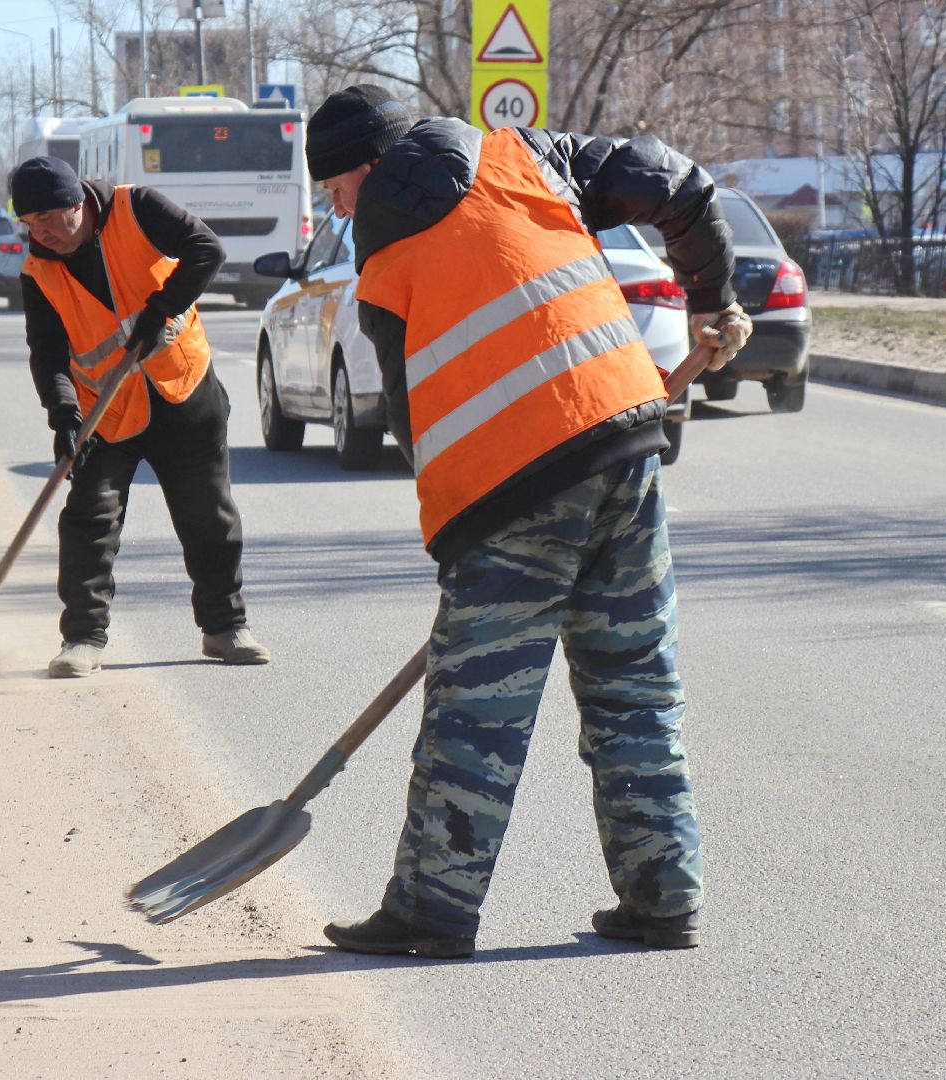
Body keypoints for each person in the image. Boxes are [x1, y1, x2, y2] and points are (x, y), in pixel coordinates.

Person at [305, 86, 751, 958]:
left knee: (476, 710)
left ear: (371, 164)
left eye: (336, 186)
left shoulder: (383, 259)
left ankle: (432, 911)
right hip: (625, 442)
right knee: (635, 682)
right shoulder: (529, 157)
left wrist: (460, 548)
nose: (339, 206)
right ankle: (665, 898)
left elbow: (414, 423)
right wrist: (710, 299)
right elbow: (681, 185)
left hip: (508, 490)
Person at [9, 155, 269, 676]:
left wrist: (160, 308)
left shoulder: (137, 209)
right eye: (30, 224)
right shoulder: (39, 271)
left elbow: (207, 250)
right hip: (104, 412)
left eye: (50, 220)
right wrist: (62, 414)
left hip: (182, 390)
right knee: (89, 521)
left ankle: (224, 628)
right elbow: (48, 353)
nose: (42, 234)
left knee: (208, 516)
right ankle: (82, 639)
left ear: (77, 204)